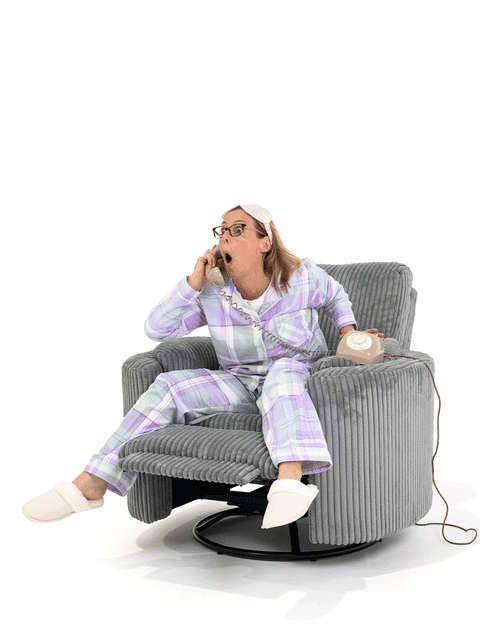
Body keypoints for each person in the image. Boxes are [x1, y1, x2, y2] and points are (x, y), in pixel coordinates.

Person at [22, 203, 384, 529]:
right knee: (168, 386)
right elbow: (156, 330)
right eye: (222, 230)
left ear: (265, 241)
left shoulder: (302, 276)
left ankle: (290, 480)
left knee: (282, 374)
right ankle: (92, 481)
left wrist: (348, 333)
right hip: (241, 382)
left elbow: (336, 297)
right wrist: (193, 284)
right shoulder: (214, 291)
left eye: (238, 229)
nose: (225, 236)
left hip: (298, 377)